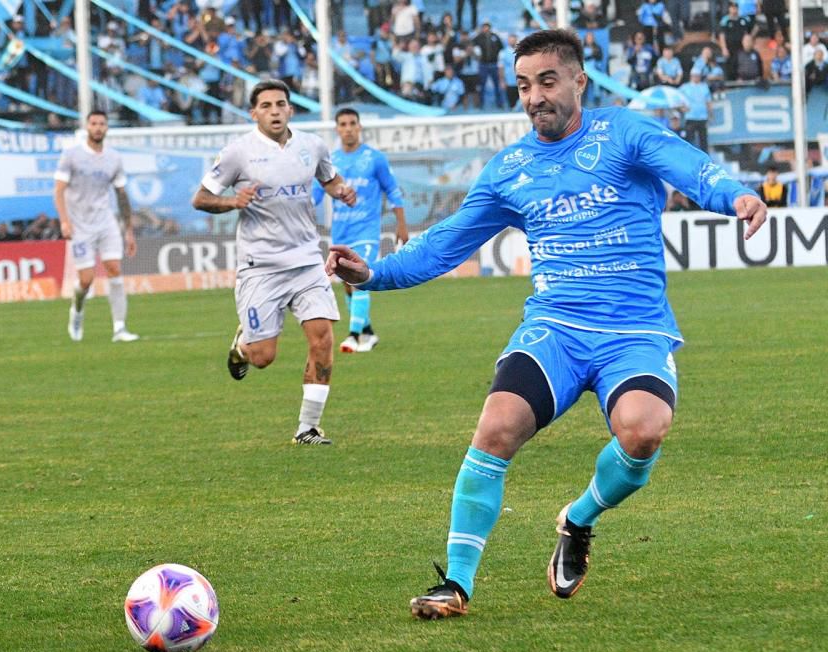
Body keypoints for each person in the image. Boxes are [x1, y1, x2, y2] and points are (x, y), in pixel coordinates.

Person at [326, 29, 766, 620]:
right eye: (524, 85)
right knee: (496, 426)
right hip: (555, 329)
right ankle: (455, 585)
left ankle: (579, 517)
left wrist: (734, 196)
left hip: (634, 330)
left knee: (643, 432)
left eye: (548, 82)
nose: (535, 96)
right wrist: (373, 275)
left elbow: (689, 166)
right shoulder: (510, 169)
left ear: (579, 82)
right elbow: (445, 243)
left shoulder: (625, 132)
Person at [192, 80, 357, 445]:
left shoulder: (312, 146)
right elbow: (200, 198)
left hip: (306, 261)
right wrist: (232, 203)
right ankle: (242, 346)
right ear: (254, 113)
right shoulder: (238, 153)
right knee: (263, 357)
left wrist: (341, 191)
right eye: (266, 106)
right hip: (261, 266)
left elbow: (329, 178)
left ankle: (307, 428)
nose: (275, 111)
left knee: (322, 338)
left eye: (280, 104)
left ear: (290, 109)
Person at [320, 108, 408, 353]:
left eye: (352, 123)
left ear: (359, 127)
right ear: (337, 129)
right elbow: (316, 194)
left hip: (367, 232)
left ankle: (353, 336)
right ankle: (368, 333)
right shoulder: (331, 161)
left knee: (358, 281)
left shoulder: (374, 158)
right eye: (343, 124)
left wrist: (401, 225)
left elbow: (392, 190)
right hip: (340, 232)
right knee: (347, 285)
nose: (348, 128)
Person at [53, 110, 140, 343]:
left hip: (106, 222)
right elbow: (59, 190)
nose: (98, 127)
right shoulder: (71, 155)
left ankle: (120, 328)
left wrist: (128, 231)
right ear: (87, 127)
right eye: (94, 123)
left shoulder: (114, 158)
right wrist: (64, 220)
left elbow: (122, 195)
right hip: (80, 226)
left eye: (102, 124)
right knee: (86, 279)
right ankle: (77, 311)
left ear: (107, 128)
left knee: (114, 269)